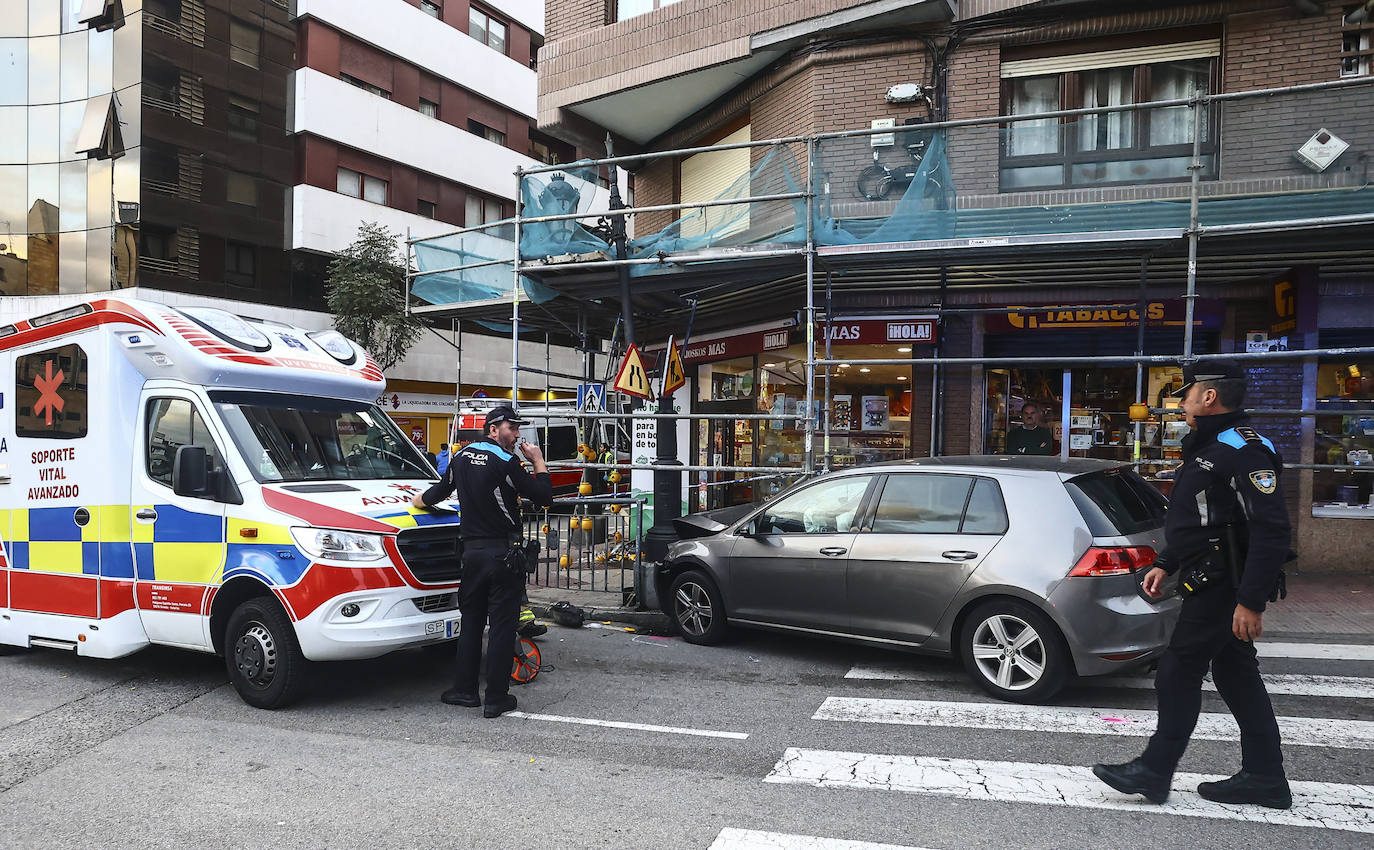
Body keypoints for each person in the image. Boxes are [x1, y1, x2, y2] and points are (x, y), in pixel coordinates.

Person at [1093, 359, 1292, 809]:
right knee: (1236, 674)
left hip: (1225, 582)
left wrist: (1251, 601)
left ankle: (1154, 770)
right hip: (1208, 572)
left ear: (1209, 397)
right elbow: (1203, 521)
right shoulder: (1207, 446)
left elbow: (1271, 529)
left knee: (1178, 670)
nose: (1180, 401)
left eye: (1186, 393)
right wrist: (1166, 560)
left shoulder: (1242, 450)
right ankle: (1265, 778)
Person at [412, 405, 551, 718]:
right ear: (492, 429)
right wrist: (538, 461)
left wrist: (416, 503)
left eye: (518, 429)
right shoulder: (507, 462)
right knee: (502, 626)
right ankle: (496, 699)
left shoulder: (460, 456)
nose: (517, 435)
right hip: (503, 555)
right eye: (511, 428)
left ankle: (464, 691)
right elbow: (544, 496)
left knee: (471, 622)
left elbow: (438, 492)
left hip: (472, 555)